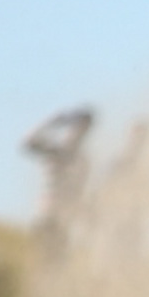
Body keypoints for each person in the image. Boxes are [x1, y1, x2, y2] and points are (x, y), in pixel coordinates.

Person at [22, 106, 95, 261]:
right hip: (46, 216)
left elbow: (78, 192)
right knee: (41, 259)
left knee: (52, 261)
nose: (79, 132)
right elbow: (28, 142)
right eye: (77, 127)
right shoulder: (56, 150)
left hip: (60, 221)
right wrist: (55, 121)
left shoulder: (81, 160)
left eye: (83, 129)